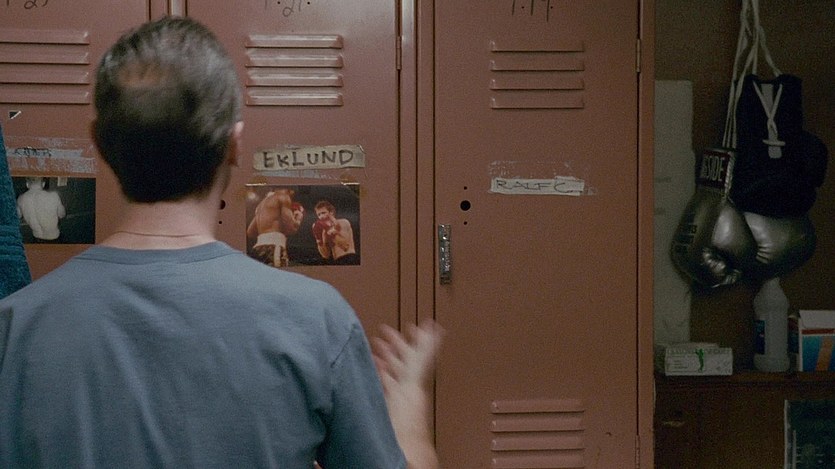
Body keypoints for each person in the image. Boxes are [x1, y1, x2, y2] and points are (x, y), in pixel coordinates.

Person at [0, 16, 441, 469]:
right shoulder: (316, 320)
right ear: (234, 144)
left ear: (99, 142)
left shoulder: (14, 327)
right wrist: (408, 414)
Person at [246, 187, 304, 267]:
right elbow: (291, 228)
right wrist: (298, 219)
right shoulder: (283, 197)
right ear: (290, 190)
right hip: (274, 246)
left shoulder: (261, 204)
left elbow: (250, 232)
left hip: (257, 248)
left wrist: (272, 227)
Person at [16, 176, 66, 241]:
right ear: (43, 184)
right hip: (54, 239)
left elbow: (18, 216)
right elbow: (62, 215)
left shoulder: (20, 199)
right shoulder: (53, 196)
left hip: (36, 238)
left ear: (27, 184)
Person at [312, 199, 358, 265]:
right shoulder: (323, 230)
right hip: (337, 261)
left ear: (331, 212)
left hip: (349, 258)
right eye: (319, 215)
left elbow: (345, 246)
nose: (321, 217)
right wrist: (319, 240)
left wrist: (330, 232)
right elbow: (325, 255)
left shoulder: (343, 222)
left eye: (323, 213)